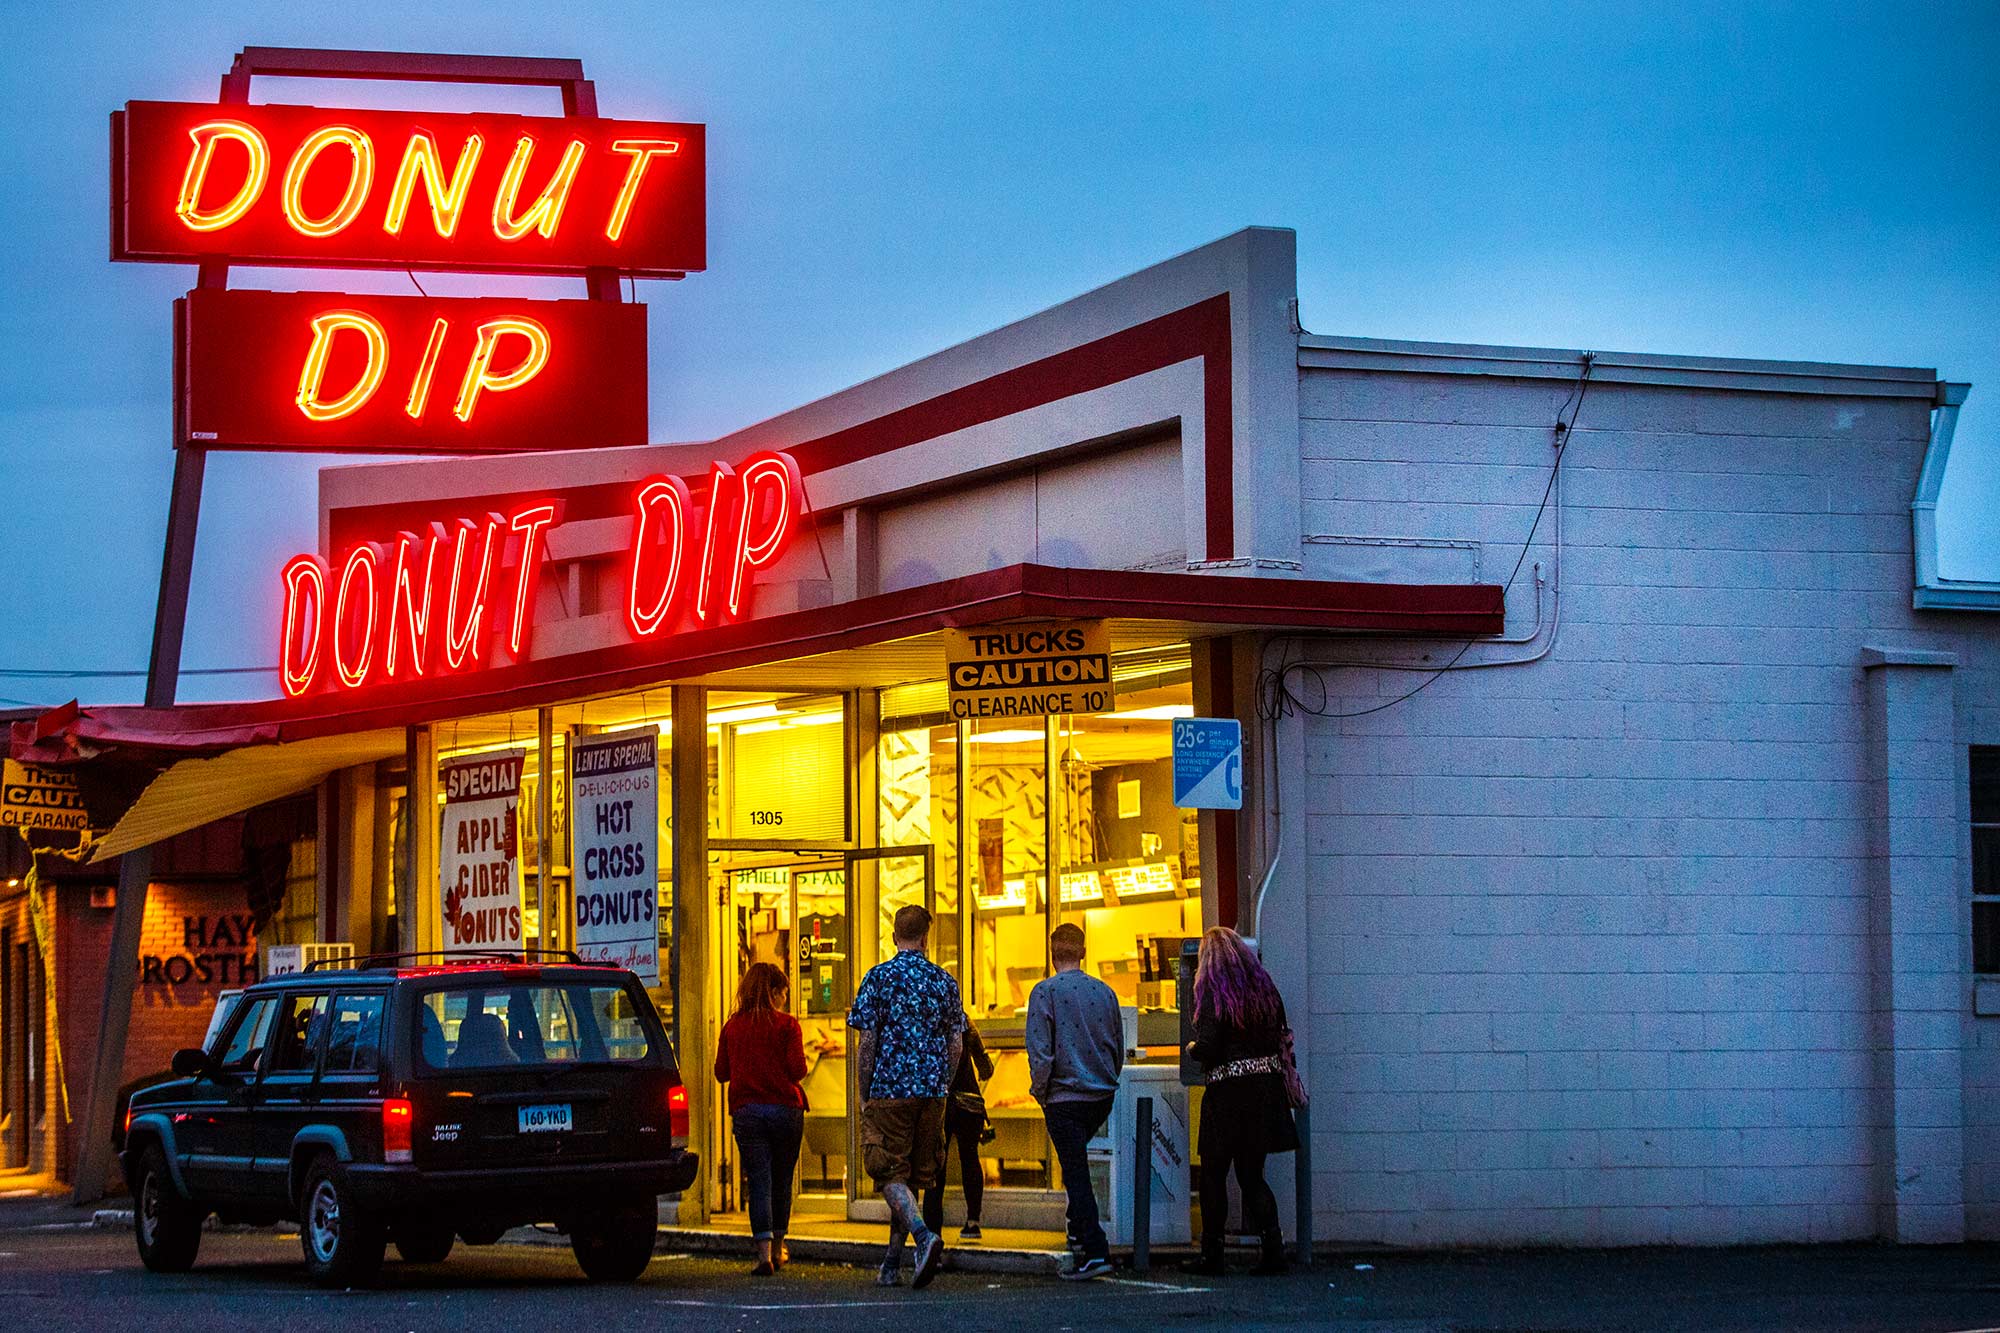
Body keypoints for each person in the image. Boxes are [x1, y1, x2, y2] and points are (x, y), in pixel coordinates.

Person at [847, 904, 964, 1290]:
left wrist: (865, 1093)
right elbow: (956, 1042)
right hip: (932, 1091)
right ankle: (892, 1262)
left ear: (894, 935)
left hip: (890, 1089)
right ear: (926, 938)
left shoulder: (879, 978)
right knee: (912, 1175)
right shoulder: (944, 981)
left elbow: (867, 1043)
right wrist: (941, 1084)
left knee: (887, 1171)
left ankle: (922, 1235)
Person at [1180, 926, 1298, 1277]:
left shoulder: (1215, 992)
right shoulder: (1265, 989)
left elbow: (1209, 1046)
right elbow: (1280, 1032)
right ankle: (1273, 1250)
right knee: (1252, 1175)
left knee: (1214, 1174)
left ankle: (1212, 1254)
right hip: (1265, 1091)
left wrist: (1192, 1048)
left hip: (1228, 1095)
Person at [1025, 922, 1124, 1282]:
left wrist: (1040, 1092)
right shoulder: (1106, 992)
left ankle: (1095, 1250)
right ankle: (1078, 1234)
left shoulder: (1044, 992)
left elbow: (1040, 1052)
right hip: (1101, 1095)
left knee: (1076, 1175)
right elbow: (1117, 1046)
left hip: (1064, 1097)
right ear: (1083, 952)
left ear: (1052, 955)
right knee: (1076, 1167)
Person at [714, 962, 808, 1276]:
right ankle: (780, 1246)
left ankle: (763, 1255)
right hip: (784, 1109)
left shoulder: (732, 1027)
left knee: (759, 1181)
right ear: (773, 992)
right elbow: (798, 1071)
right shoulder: (787, 1025)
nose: (784, 998)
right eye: (783, 992)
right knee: (782, 1180)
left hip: (747, 1112)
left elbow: (721, 1073)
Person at [922, 1016, 995, 1241]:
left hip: (939, 1104)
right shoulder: (963, 1020)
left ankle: (933, 1234)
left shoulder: (926, 1020)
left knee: (937, 1167)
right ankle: (973, 1222)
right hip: (969, 1103)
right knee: (970, 1158)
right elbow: (986, 1067)